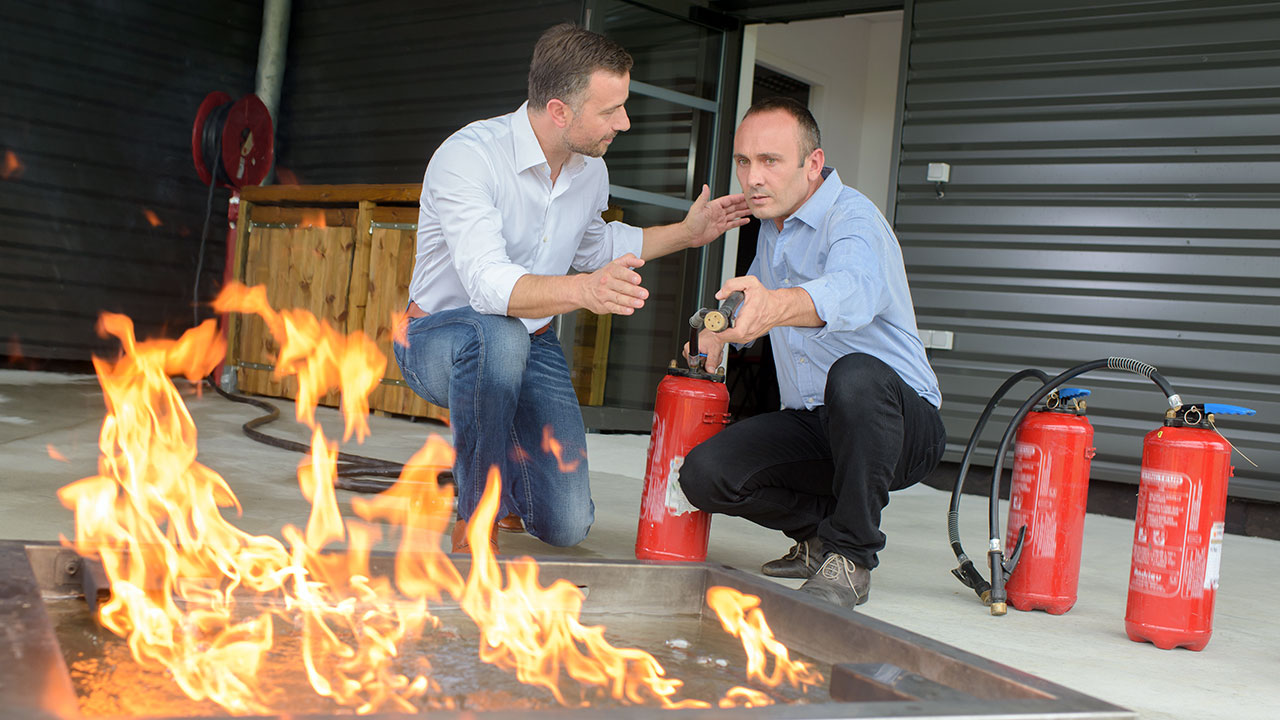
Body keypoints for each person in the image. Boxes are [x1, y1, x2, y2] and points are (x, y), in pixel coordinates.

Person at [395, 24, 750, 554]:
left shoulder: (590, 172)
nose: (625, 123)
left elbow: (592, 247)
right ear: (560, 110)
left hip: (529, 344)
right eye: (611, 111)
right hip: (438, 340)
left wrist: (687, 233)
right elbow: (491, 287)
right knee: (499, 337)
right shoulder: (469, 157)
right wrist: (584, 292)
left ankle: (510, 486)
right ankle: (476, 517)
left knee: (566, 523)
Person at [677, 97, 945, 610]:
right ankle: (819, 538)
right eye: (744, 161)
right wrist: (716, 329)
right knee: (706, 475)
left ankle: (851, 557)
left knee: (857, 375)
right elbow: (748, 304)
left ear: (813, 164)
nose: (753, 177)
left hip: (899, 424)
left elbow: (853, 289)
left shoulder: (853, 220)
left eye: (770, 161)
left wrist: (776, 306)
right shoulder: (774, 230)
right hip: (818, 423)